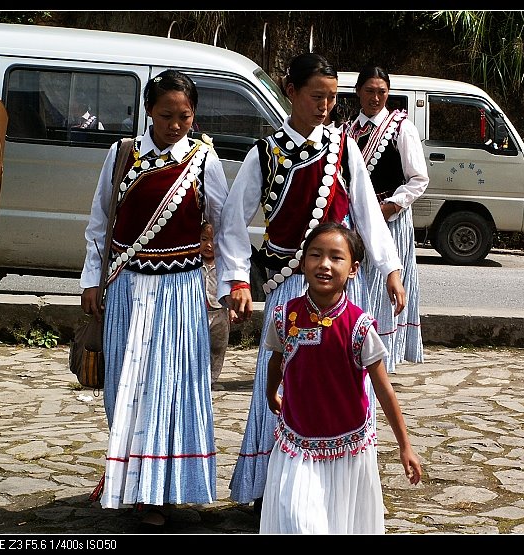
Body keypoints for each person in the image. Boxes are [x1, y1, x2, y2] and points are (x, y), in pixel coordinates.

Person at [216, 53, 406, 513]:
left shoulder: (344, 148)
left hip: (340, 294)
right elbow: (232, 223)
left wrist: (390, 270)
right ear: (292, 91)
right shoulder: (266, 152)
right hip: (288, 289)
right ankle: (270, 488)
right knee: (278, 385)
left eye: (331, 98)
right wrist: (238, 278)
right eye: (316, 96)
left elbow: (365, 212)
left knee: (344, 384)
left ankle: (346, 485)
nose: (325, 106)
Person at [80, 69, 228, 531]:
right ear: (149, 111)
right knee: (125, 387)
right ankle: (124, 472)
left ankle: (158, 490)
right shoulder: (122, 155)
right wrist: (91, 280)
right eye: (166, 115)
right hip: (126, 289)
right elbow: (100, 221)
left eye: (185, 116)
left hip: (180, 290)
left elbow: (224, 226)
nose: (175, 125)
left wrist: (228, 283)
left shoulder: (204, 160)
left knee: (170, 388)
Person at [259, 222, 422, 534]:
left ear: (353, 269)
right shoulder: (284, 318)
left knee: (340, 524)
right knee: (298, 520)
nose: (324, 264)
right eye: (316, 255)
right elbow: (276, 362)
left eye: (336, 257)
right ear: (303, 261)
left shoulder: (360, 327)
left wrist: (405, 446)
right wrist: (270, 393)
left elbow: (383, 389)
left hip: (348, 445)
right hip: (298, 442)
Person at [344, 65, 429, 373]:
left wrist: (391, 206)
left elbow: (418, 179)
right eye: (369, 91)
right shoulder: (348, 131)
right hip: (357, 224)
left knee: (384, 286)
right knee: (358, 285)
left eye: (381, 92)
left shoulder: (401, 128)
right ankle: (355, 350)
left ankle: (382, 360)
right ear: (358, 93)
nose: (375, 97)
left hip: (390, 222)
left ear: (388, 94)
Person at [200, 219, 231, 387]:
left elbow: (230, 288)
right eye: (204, 239)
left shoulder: (223, 265)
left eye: (213, 240)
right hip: (200, 313)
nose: (209, 245)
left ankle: (212, 378)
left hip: (220, 312)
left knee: (218, 347)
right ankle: (198, 378)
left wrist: (232, 309)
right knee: (199, 346)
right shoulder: (195, 265)